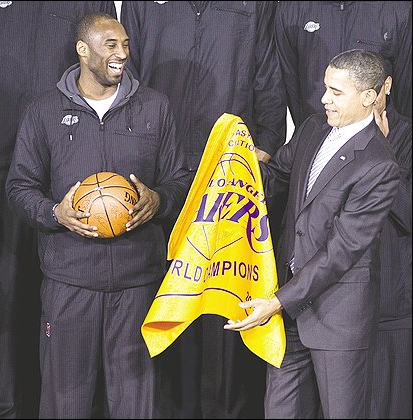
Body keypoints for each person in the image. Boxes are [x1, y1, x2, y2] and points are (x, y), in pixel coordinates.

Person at [5, 12, 191, 419]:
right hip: (70, 283)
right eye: (111, 45)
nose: (122, 53)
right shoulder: (44, 111)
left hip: (137, 284)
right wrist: (56, 212)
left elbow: (180, 180)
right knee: (64, 404)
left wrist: (158, 201)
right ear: (82, 49)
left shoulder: (154, 107)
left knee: (135, 405)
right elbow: (18, 188)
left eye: (125, 44)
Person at [120, 2, 287, 418]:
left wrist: (260, 155)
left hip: (226, 179)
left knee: (219, 302)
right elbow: (129, 71)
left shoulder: (252, 6)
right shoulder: (144, 6)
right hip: (161, 174)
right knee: (160, 295)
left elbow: (268, 81)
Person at [224, 49, 400, 419]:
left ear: (369, 96)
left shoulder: (379, 164)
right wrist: (238, 163)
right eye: (325, 88)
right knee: (279, 411)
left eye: (336, 92)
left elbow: (342, 250)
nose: (324, 99)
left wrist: (277, 301)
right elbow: (277, 181)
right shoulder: (310, 129)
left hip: (336, 320)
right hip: (288, 315)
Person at [0, 2, 116, 418]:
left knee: (65, 306)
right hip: (2, 168)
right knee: (8, 299)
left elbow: (104, 60)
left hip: (72, 167)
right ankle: (8, 405)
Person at [274, 1, 412, 131]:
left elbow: (404, 87)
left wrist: (391, 141)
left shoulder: (398, 9)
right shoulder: (291, 8)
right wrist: (308, 133)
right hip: (314, 138)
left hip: (379, 137)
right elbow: (288, 81)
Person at [369, 58, 412, 419]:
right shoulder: (324, 133)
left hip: (391, 304)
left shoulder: (406, 135)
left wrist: (381, 152)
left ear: (386, 87)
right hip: (334, 307)